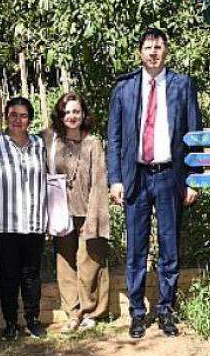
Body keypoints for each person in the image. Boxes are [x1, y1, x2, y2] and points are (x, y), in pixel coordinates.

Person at [107, 27, 201, 339]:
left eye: (158, 47)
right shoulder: (124, 88)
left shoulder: (182, 85)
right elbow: (114, 138)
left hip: (169, 176)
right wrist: (115, 179)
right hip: (135, 177)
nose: (153, 53)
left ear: (166, 51)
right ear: (140, 52)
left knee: (169, 247)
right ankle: (136, 312)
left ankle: (166, 310)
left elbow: (194, 135)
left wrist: (192, 180)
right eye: (148, 47)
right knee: (136, 248)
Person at [42, 92, 112, 334]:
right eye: (66, 112)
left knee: (90, 261)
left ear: (83, 114)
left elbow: (99, 181)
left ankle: (92, 312)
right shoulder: (49, 139)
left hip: (88, 210)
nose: (71, 116)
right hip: (61, 211)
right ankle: (73, 312)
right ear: (60, 115)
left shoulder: (93, 143)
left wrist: (95, 217)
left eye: (76, 111)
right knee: (65, 263)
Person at [0, 97, 49, 340]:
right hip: (5, 224)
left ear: (30, 120)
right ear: (6, 117)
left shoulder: (40, 145)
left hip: (34, 222)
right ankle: (11, 322)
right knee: (9, 276)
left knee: (31, 275)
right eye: (13, 114)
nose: (17, 120)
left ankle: (33, 320)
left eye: (23, 115)